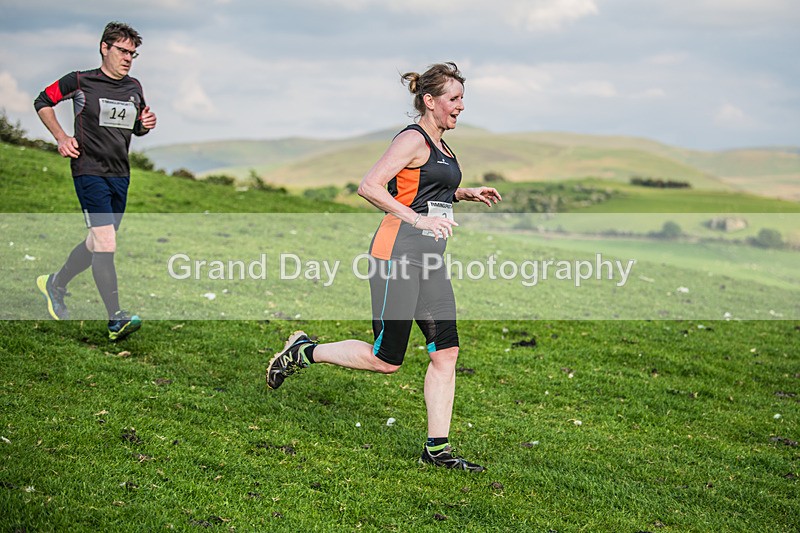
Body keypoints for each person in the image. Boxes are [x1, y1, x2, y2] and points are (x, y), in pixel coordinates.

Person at [266, 62, 501, 472]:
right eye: (454, 98)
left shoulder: (441, 143)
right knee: (386, 358)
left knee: (446, 352)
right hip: (397, 253)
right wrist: (419, 219)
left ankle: (437, 450)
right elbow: (370, 186)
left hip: (429, 258)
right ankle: (304, 352)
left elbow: (425, 189)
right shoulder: (412, 139)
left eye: (463, 98)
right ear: (429, 101)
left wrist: (465, 193)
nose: (461, 106)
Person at [34, 21, 156, 341]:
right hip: (89, 171)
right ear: (105, 48)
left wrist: (145, 124)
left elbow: (136, 126)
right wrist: (61, 137)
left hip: (120, 174)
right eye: (122, 51)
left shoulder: (134, 87)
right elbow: (43, 101)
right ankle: (116, 319)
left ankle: (55, 284)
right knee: (105, 243)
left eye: (133, 53)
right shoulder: (79, 80)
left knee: (96, 243)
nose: (128, 58)